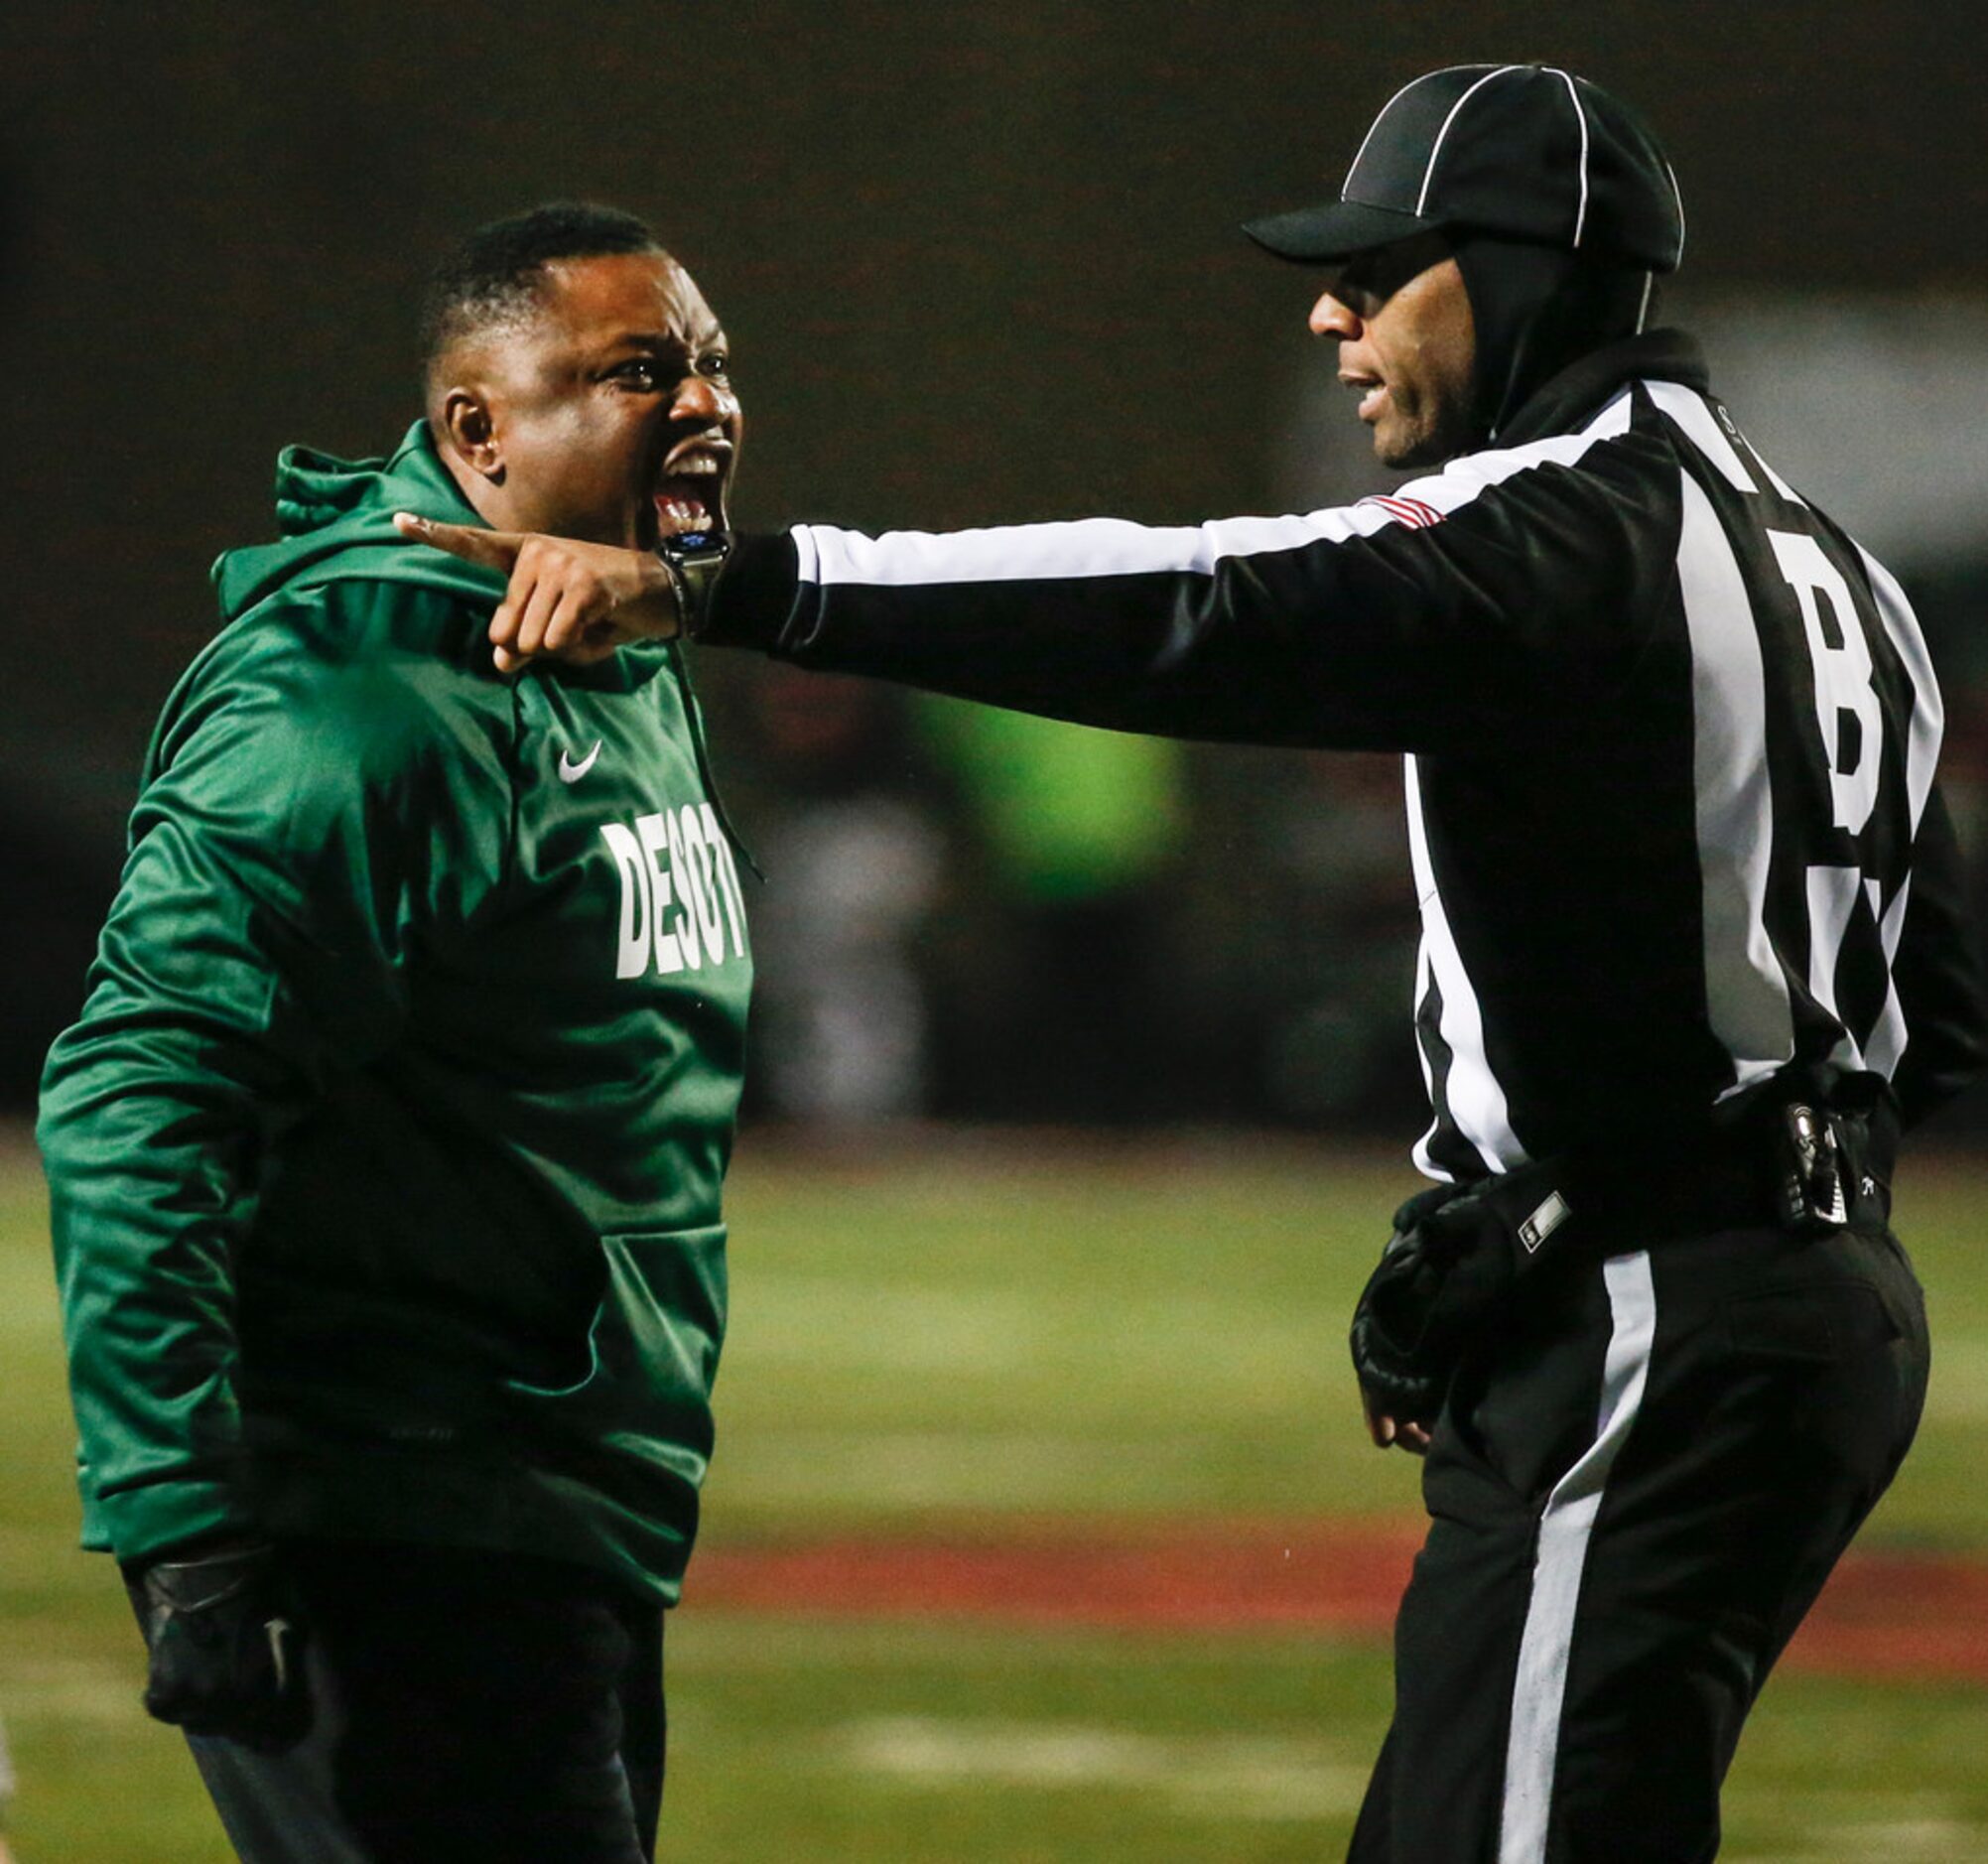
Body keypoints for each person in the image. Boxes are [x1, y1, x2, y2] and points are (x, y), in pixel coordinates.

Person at [405, 65, 1988, 1861]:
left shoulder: (1569, 533)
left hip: (1662, 1323)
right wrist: (1549, 1202)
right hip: (1796, 1300)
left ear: (1522, 271)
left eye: (1381, 268)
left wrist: (735, 586)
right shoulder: (1838, 568)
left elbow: (1197, 603)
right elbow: (1923, 1017)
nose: (1331, 312)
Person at [39, 202, 753, 1864]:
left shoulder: (615, 633)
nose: (706, 402)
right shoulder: (363, 692)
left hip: (550, 1502)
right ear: (477, 432)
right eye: (642, 370)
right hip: (401, 1514)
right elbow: (143, 1086)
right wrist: (179, 1522)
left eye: (714, 362)